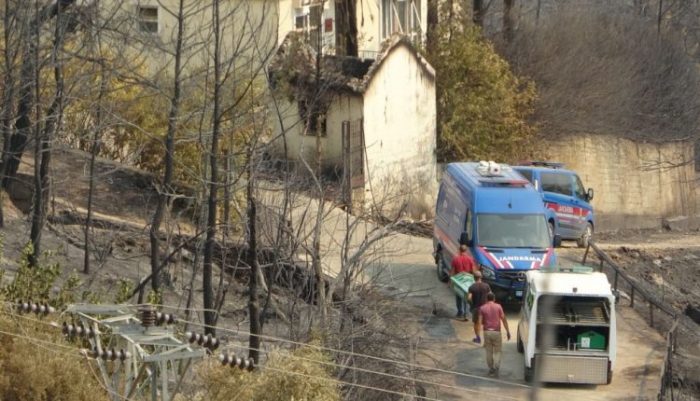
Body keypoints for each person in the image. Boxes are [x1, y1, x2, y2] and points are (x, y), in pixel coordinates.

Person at [477, 292, 510, 376]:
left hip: (486, 332)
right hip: (496, 332)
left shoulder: (482, 308)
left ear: (486, 299)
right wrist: (508, 331)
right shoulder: (498, 306)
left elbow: (479, 322)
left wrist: (477, 335)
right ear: (494, 299)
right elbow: (503, 319)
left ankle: (491, 368)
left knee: (489, 351)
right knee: (498, 351)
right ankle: (496, 367)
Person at [450, 244, 476, 321]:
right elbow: (473, 271)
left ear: (459, 250)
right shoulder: (470, 259)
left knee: (459, 296)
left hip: (458, 279)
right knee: (467, 297)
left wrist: (450, 280)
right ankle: (467, 314)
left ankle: (460, 313)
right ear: (466, 250)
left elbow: (452, 271)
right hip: (467, 279)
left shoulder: (455, 259)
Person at [467, 271, 491, 344]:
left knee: (477, 323)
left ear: (474, 278)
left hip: (477, 308)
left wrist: (471, 304)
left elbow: (469, 298)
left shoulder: (472, 287)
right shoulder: (486, 286)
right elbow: (491, 295)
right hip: (486, 308)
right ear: (481, 277)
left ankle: (478, 338)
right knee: (486, 323)